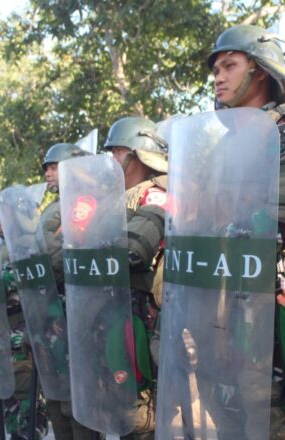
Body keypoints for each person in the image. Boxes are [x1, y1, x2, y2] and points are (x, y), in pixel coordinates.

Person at [208, 25, 285, 439]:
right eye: (216, 69)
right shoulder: (224, 147)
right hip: (225, 311)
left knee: (276, 420)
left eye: (230, 66)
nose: (219, 77)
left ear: (260, 72)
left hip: (275, 308)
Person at [103, 117, 169, 440]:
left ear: (138, 155)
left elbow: (134, 251)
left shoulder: (155, 195)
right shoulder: (117, 198)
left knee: (143, 423)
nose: (112, 160)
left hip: (147, 324)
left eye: (117, 151)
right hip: (121, 323)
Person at [37, 143, 100, 440]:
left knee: (79, 405)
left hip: (79, 314)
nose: (48, 172)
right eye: (47, 167)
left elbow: (61, 257)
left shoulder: (83, 204)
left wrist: (37, 246)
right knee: (58, 403)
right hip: (54, 314)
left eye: (54, 166)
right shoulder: (55, 207)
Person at [0, 211, 49, 440]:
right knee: (13, 409)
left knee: (28, 412)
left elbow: (8, 282)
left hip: (25, 338)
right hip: (7, 337)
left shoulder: (28, 248)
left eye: (1, 213)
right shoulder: (4, 247)